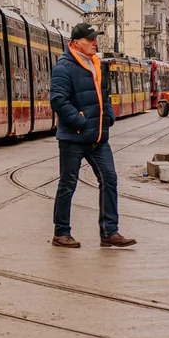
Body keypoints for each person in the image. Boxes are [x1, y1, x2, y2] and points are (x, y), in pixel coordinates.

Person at [49, 23, 136, 249]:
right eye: (90, 40)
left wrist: (108, 116)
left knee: (110, 179)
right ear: (76, 43)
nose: (95, 43)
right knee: (67, 184)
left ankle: (110, 232)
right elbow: (58, 100)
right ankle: (61, 233)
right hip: (73, 138)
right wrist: (80, 121)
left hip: (98, 138)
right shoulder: (63, 68)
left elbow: (104, 96)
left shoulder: (96, 65)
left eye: (95, 39)